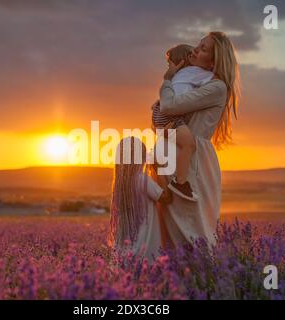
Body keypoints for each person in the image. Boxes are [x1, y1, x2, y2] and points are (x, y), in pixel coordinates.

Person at [156, 31, 241, 248]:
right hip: (173, 157)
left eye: (203, 49)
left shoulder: (216, 87)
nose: (195, 50)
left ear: (214, 62)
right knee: (170, 235)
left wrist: (167, 81)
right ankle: (176, 281)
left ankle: (203, 279)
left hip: (192, 162)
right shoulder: (194, 79)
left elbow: (169, 106)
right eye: (198, 45)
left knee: (193, 231)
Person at [152, 44, 214, 202]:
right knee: (189, 145)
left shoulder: (177, 76)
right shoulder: (192, 72)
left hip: (160, 116)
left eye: (169, 63)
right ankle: (180, 182)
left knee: (176, 144)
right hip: (169, 117)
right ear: (187, 60)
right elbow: (215, 77)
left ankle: (162, 169)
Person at [108, 136, 172, 261]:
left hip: (123, 253)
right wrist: (158, 168)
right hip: (145, 251)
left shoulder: (118, 184)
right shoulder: (142, 179)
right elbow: (166, 198)